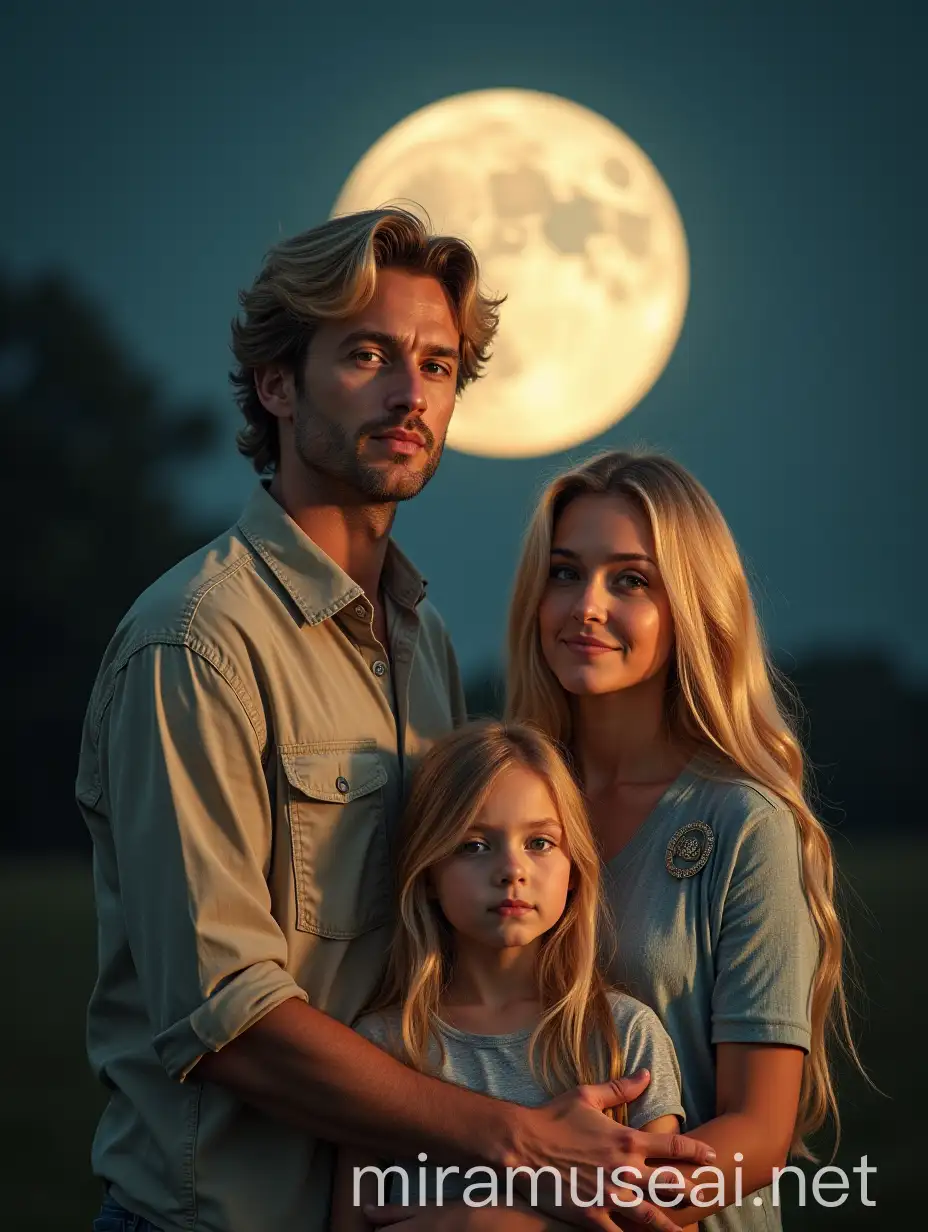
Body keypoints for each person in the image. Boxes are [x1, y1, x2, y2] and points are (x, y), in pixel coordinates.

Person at [77, 216, 713, 1232]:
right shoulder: (194, 645)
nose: (409, 395)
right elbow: (224, 1017)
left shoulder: (427, 647)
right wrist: (517, 1135)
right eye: (366, 354)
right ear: (279, 385)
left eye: (438, 364)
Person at [506, 449, 859, 1231]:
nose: (585, 606)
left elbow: (759, 1133)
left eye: (629, 580)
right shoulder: (505, 805)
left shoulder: (747, 823)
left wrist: (531, 1218)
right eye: (564, 573)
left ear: (691, 607)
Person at [332, 720, 697, 1232]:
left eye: (541, 842)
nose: (511, 869)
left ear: (575, 868)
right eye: (474, 845)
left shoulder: (622, 1036)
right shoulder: (386, 1047)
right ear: (429, 873)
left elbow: (665, 1224)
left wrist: (484, 1223)